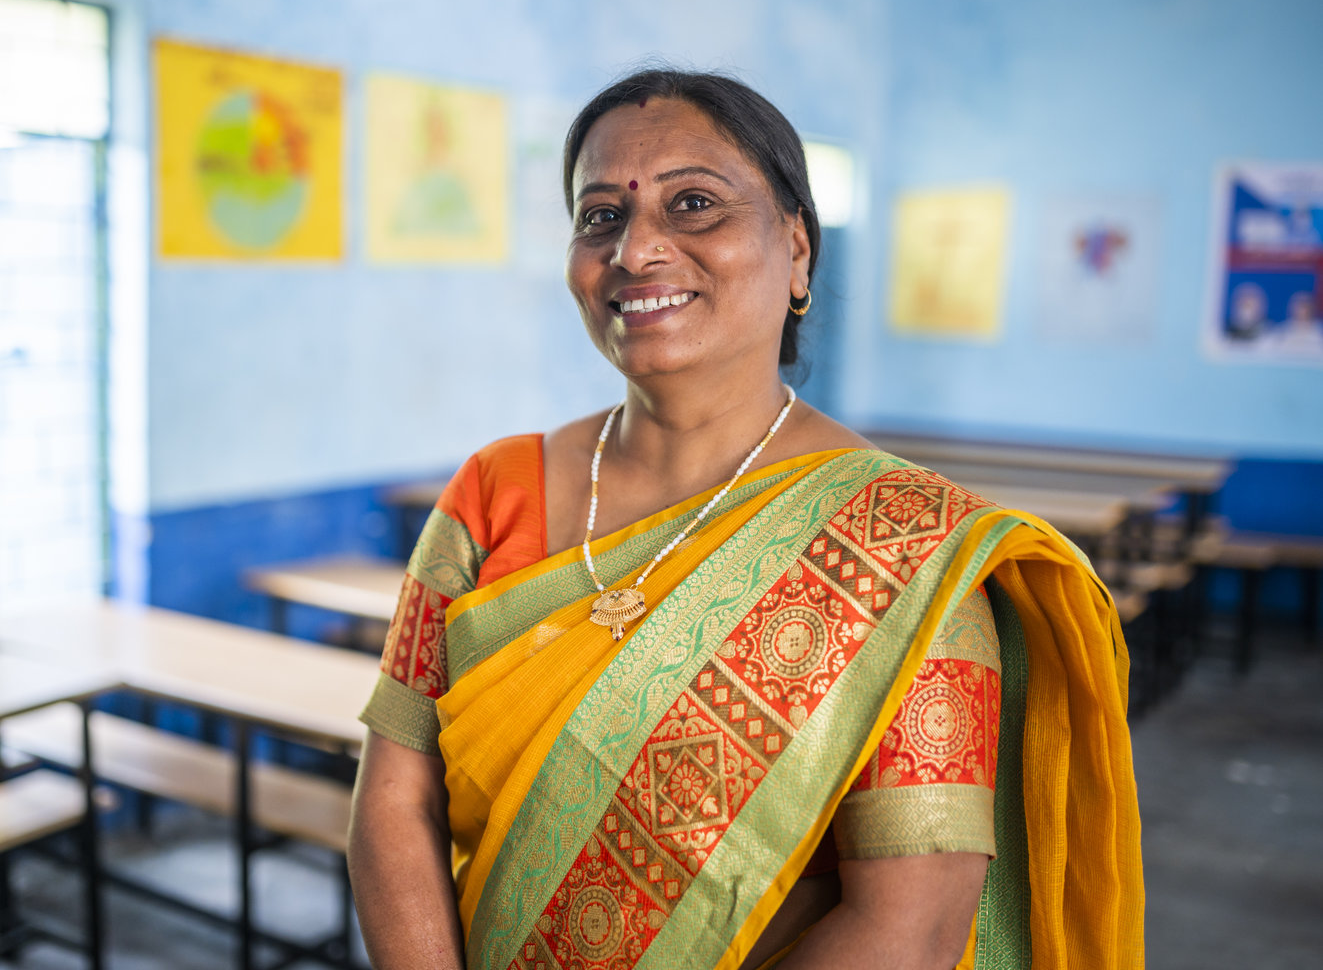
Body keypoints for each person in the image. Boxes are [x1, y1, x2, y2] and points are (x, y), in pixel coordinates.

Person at [348, 68, 1143, 970]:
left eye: (693, 204)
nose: (635, 249)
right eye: (600, 214)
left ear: (796, 251)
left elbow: (909, 929)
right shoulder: (494, 491)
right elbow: (392, 796)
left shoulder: (901, 549)